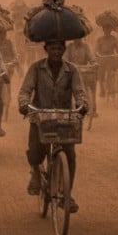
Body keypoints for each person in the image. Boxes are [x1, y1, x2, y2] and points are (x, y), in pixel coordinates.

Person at [18, 39, 88, 212]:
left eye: (59, 48)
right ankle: (35, 171)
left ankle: (67, 194)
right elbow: (25, 90)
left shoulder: (72, 70)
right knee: (35, 151)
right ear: (46, 49)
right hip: (40, 118)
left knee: (70, 155)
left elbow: (79, 91)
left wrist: (82, 104)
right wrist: (24, 104)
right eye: (53, 48)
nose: (56, 52)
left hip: (64, 119)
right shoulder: (36, 68)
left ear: (64, 49)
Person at [65, 36, 99, 118]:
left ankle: (93, 108)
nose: (77, 39)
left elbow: (91, 57)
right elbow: (65, 59)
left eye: (79, 37)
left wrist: (94, 63)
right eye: (76, 37)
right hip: (72, 71)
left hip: (83, 70)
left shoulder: (86, 46)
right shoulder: (69, 47)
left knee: (92, 84)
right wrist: (68, 65)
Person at [95, 25, 118, 102]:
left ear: (111, 31)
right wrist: (97, 54)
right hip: (102, 58)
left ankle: (112, 87)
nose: (107, 31)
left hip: (111, 58)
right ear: (103, 30)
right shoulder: (100, 39)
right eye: (106, 30)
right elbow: (96, 49)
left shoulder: (114, 39)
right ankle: (102, 89)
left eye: (109, 30)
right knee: (100, 73)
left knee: (112, 70)